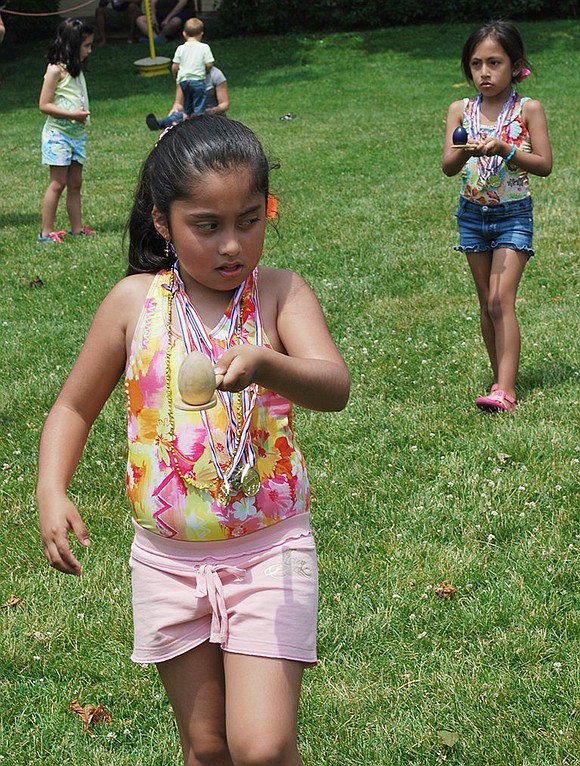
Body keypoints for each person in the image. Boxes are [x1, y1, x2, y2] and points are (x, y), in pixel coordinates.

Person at [37, 116, 350, 765]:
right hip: (167, 563)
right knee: (206, 747)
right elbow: (73, 405)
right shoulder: (133, 304)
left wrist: (267, 362)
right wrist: (51, 488)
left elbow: (332, 385)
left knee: (261, 747)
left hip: (271, 553)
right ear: (163, 222)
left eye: (249, 220)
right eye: (207, 226)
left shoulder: (279, 294)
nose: (233, 245)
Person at [442, 20, 552, 413]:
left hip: (513, 216)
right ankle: (499, 379)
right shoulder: (461, 109)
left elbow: (544, 164)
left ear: (515, 65)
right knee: (485, 303)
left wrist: (506, 149)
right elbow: (447, 166)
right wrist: (465, 151)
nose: (484, 73)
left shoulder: (528, 109)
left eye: (494, 63)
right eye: (476, 64)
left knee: (499, 298)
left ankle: (505, 390)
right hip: (472, 215)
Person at [38, 18, 96, 243]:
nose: (89, 51)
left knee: (75, 183)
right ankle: (45, 233)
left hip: (76, 136)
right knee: (58, 183)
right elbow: (44, 105)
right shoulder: (55, 70)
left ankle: (77, 228)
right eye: (86, 46)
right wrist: (73, 115)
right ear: (73, 46)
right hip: (58, 136)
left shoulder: (75, 70)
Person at [146, 63, 227, 131]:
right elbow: (179, 104)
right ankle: (160, 124)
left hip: (211, 114)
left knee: (194, 117)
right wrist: (174, 111)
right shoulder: (185, 76)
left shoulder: (216, 74)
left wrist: (209, 111)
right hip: (188, 113)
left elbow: (224, 104)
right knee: (178, 116)